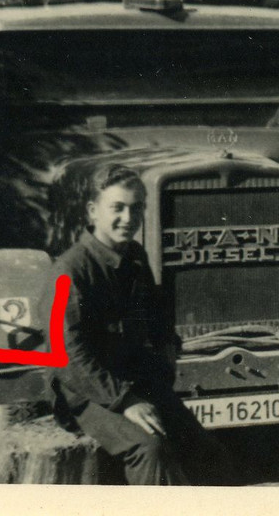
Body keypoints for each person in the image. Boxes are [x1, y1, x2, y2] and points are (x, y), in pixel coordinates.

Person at [45, 164, 235, 485]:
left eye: (136, 208)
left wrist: (167, 345)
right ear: (93, 212)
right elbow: (68, 357)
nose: (128, 217)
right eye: (117, 208)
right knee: (148, 447)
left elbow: (154, 311)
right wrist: (125, 401)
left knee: (206, 451)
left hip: (133, 380)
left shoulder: (133, 256)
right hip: (86, 393)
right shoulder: (71, 270)